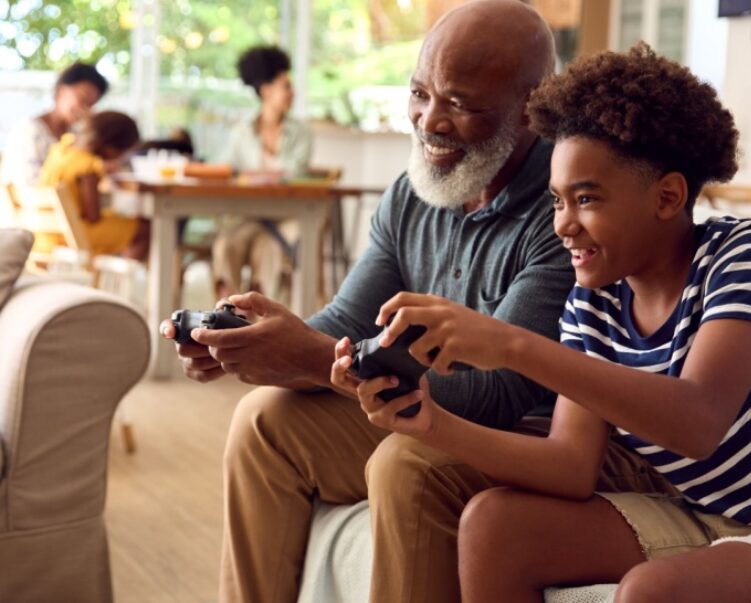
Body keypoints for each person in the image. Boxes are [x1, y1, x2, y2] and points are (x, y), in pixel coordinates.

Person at [162, 5, 679, 603]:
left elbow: (500, 396)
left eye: (460, 104)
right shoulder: (411, 196)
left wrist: (309, 358)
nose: (429, 120)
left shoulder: (570, 218)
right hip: (436, 410)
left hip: (525, 435)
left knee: (408, 463)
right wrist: (256, 343)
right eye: (418, 92)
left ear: (531, 107)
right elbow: (346, 323)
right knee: (264, 420)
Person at [333, 43, 751, 603]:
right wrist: (429, 423)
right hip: (704, 510)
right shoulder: (594, 301)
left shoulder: (742, 255)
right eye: (557, 202)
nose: (564, 226)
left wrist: (511, 345)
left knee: (651, 592)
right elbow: (571, 466)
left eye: (586, 199)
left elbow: (698, 420)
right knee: (493, 527)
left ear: (668, 196)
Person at [212, 45, 313, 300]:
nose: (293, 92)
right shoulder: (242, 131)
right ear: (266, 90)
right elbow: (224, 168)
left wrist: (252, 175)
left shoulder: (301, 133)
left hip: (286, 217)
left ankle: (259, 320)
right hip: (249, 215)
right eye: (286, 86)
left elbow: (296, 173)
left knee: (269, 249)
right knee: (226, 245)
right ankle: (229, 313)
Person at [39, 110, 150, 260]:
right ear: (111, 147)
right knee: (143, 229)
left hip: (45, 234)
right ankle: (123, 281)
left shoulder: (61, 150)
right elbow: (93, 215)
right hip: (70, 236)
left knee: (122, 222)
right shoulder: (88, 167)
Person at [1, 62, 109, 185]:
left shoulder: (73, 136)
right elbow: (29, 187)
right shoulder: (29, 131)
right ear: (60, 90)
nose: (85, 110)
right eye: (82, 99)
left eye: (91, 105)